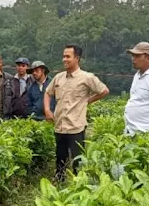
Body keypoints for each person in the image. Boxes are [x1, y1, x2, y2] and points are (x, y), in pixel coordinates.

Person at [44, 44, 109, 181]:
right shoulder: (59, 78)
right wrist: (47, 110)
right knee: (60, 158)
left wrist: (87, 101)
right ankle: (59, 180)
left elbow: (104, 91)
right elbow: (48, 93)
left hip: (76, 127)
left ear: (77, 58)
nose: (64, 59)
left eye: (68, 56)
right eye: (63, 56)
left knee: (77, 161)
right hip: (60, 125)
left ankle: (78, 184)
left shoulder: (87, 77)